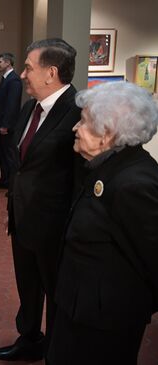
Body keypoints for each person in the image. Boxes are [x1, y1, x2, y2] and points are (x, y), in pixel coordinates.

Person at [48, 81, 158, 365]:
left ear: (107, 134)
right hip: (79, 309)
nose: (75, 128)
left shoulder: (135, 183)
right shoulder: (107, 166)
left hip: (104, 323)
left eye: (83, 122)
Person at [0, 38, 81, 361]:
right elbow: (22, 164)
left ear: (51, 73)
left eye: (29, 68)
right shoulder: (30, 108)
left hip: (56, 227)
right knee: (28, 287)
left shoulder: (79, 111)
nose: (23, 74)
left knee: (57, 294)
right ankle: (29, 339)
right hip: (23, 219)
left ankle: (57, 350)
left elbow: (80, 176)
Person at [0, 52, 22, 188]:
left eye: (0, 62)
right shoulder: (5, 79)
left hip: (7, 126)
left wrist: (5, 125)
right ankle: (4, 180)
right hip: (1, 123)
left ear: (8, 63)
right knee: (3, 154)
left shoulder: (14, 80)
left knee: (9, 155)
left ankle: (11, 184)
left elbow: (12, 104)